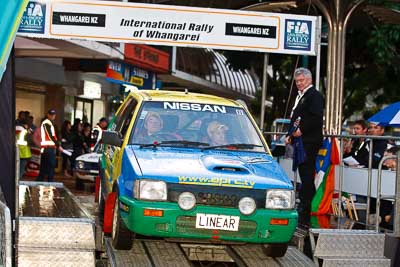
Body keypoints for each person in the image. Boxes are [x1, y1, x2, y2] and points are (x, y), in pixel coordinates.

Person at [284, 67, 324, 224]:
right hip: (300, 140)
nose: (299, 83)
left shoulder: (315, 96)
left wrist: (301, 130)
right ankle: (306, 205)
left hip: (309, 141)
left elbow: (316, 118)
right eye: (297, 81)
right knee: (304, 175)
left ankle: (307, 208)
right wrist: (289, 134)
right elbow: (295, 117)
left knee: (307, 176)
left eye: (302, 80)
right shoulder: (300, 96)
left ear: (310, 80)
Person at [36, 109, 63, 182]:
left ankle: (40, 181)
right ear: (48, 115)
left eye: (54, 115)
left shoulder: (49, 123)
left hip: (47, 148)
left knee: (44, 167)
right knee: (50, 166)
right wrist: (58, 145)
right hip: (48, 148)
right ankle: (50, 182)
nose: (53, 116)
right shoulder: (47, 123)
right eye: (51, 114)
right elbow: (50, 136)